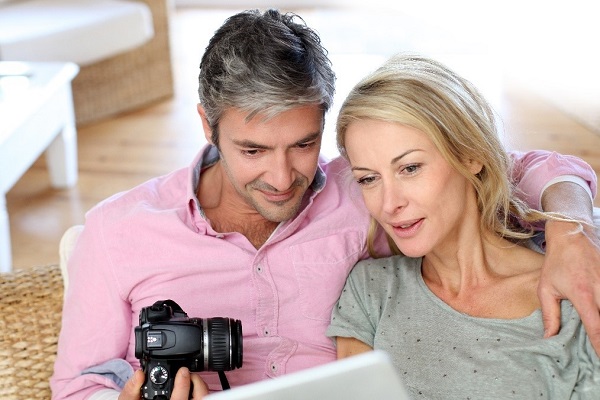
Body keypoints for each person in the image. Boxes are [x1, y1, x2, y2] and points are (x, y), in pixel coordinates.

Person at [50, 9, 599, 400]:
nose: (283, 177)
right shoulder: (117, 232)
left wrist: (574, 230)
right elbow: (76, 386)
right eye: (253, 150)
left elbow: (510, 167)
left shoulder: (364, 193)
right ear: (206, 125)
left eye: (304, 144)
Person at [327, 53, 600, 399]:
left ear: (471, 155)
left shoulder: (574, 286)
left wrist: (571, 225)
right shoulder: (371, 291)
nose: (389, 203)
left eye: (410, 168)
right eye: (368, 178)